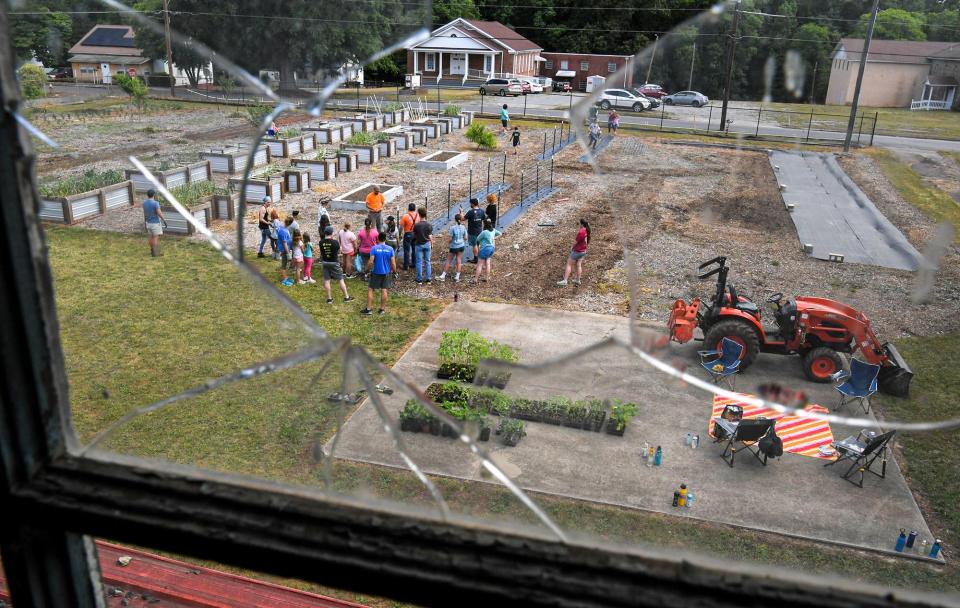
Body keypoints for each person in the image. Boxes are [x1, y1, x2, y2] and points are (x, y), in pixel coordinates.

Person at [361, 233, 396, 316]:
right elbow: (393, 263)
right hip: (386, 273)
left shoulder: (374, 248)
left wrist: (367, 270)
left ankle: (369, 309)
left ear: (378, 239)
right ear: (385, 239)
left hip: (376, 272)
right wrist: (395, 271)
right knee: (384, 290)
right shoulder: (390, 249)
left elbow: (370, 261)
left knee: (370, 289)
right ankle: (382, 309)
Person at [318, 225, 353, 304]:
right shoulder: (335, 242)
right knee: (340, 279)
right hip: (334, 262)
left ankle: (329, 299)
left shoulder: (321, 242)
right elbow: (339, 252)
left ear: (325, 233)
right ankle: (346, 297)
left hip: (325, 262)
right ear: (331, 233)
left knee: (327, 280)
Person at [557, 219, 590, 286]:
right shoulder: (587, 230)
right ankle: (578, 280)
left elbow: (576, 242)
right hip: (583, 251)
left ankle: (565, 280)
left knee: (569, 264)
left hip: (578, 251)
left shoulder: (581, 232)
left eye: (579, 223)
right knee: (578, 265)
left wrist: (571, 248)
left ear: (582, 224)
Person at [438, 213, 466, 282]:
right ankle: (457, 277)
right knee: (459, 261)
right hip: (461, 245)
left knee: (448, 260)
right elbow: (465, 238)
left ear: (455, 220)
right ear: (461, 220)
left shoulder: (452, 228)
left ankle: (443, 275)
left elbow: (450, 239)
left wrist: (448, 242)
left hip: (454, 246)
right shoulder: (463, 227)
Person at [412, 206, 432, 284]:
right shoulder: (429, 225)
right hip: (427, 244)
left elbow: (414, 235)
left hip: (419, 245)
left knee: (419, 262)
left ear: (419, 214)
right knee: (427, 261)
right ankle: (428, 279)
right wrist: (431, 243)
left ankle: (419, 279)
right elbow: (430, 236)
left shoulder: (417, 225)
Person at [143, 188, 165, 257]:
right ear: (154, 195)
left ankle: (152, 250)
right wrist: (163, 218)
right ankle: (155, 253)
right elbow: (159, 212)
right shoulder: (155, 203)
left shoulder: (144, 203)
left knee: (151, 237)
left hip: (148, 223)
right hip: (155, 223)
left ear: (147, 195)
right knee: (155, 237)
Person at [464, 198, 486, 264]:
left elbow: (463, 219)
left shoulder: (470, 212)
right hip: (479, 230)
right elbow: (484, 219)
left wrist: (461, 212)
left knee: (474, 245)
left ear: (473, 204)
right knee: (478, 244)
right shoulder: (482, 211)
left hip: (472, 231)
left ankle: (476, 259)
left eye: (470, 203)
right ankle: (480, 257)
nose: (470, 204)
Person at [399, 202, 419, 271]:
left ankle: (406, 266)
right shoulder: (418, 216)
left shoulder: (405, 216)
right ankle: (414, 263)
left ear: (408, 208)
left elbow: (401, 227)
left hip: (408, 234)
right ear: (415, 208)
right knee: (414, 249)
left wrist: (399, 234)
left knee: (407, 250)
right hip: (416, 234)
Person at [277, 217, 294, 287]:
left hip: (285, 250)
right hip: (284, 250)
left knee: (286, 265)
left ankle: (286, 277)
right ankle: (284, 280)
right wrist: (288, 253)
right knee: (284, 266)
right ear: (289, 224)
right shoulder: (283, 231)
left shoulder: (284, 228)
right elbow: (284, 243)